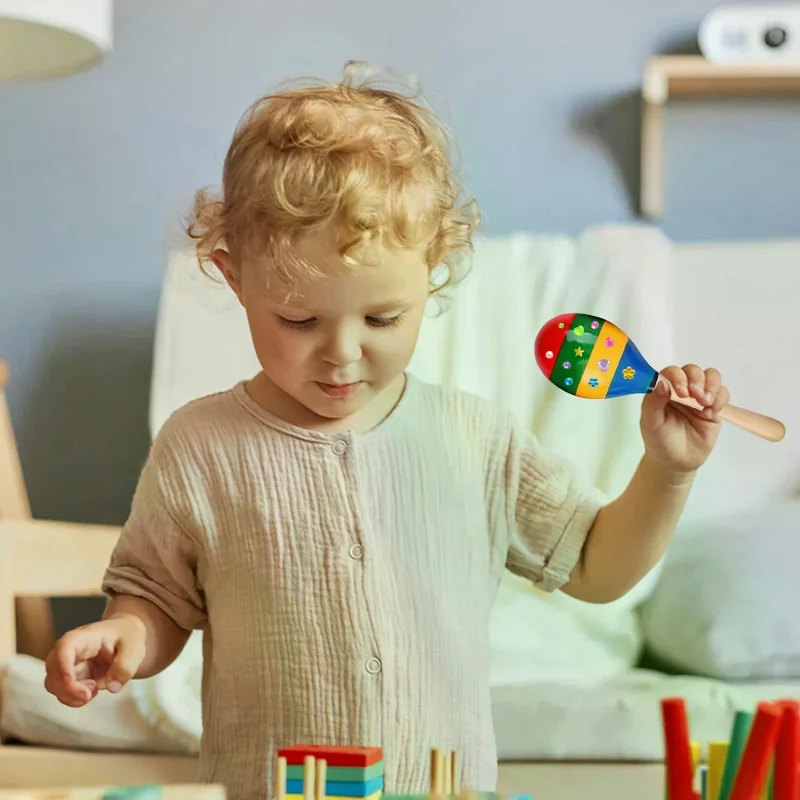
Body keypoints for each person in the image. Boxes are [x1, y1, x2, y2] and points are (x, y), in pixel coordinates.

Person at [43, 61, 729, 799]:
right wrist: (126, 637)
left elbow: (599, 567)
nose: (341, 352)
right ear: (233, 275)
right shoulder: (198, 447)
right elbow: (157, 598)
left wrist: (668, 468)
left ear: (434, 270)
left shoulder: (475, 439)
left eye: (382, 318)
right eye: (299, 319)